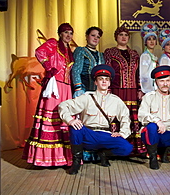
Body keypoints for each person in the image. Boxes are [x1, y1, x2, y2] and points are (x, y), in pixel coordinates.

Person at [58, 64, 133, 174]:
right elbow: (63, 106)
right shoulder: (87, 97)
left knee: (127, 148)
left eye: (106, 79)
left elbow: (125, 117)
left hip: (105, 134)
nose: (104, 82)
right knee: (75, 128)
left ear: (109, 82)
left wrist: (123, 133)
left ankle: (104, 153)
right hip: (89, 134)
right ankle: (76, 162)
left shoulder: (116, 100)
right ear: (95, 82)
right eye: (100, 79)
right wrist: (70, 120)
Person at [22, 23, 74, 166]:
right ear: (60, 33)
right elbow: (39, 51)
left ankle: (62, 157)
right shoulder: (53, 43)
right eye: (66, 32)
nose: (68, 35)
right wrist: (48, 67)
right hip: (55, 85)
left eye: (71, 33)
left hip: (66, 87)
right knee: (51, 118)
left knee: (64, 118)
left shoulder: (69, 50)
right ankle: (46, 158)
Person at [104, 26, 145, 155]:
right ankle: (115, 149)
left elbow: (138, 73)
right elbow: (108, 71)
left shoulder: (134, 54)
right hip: (117, 90)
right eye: (120, 34)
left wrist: (139, 88)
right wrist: (108, 89)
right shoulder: (110, 52)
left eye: (126, 35)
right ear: (116, 37)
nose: (123, 37)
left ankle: (134, 148)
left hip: (132, 91)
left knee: (132, 118)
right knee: (116, 117)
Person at [72, 26, 104, 98]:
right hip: (83, 88)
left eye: (98, 37)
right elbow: (76, 70)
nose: (95, 38)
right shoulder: (81, 51)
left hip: (97, 90)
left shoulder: (101, 55)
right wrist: (78, 88)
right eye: (93, 35)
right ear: (87, 36)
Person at [139, 23, 159, 93]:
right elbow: (143, 75)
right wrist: (147, 89)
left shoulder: (153, 56)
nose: (151, 41)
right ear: (145, 42)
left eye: (153, 39)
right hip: (149, 89)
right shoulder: (145, 56)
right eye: (149, 39)